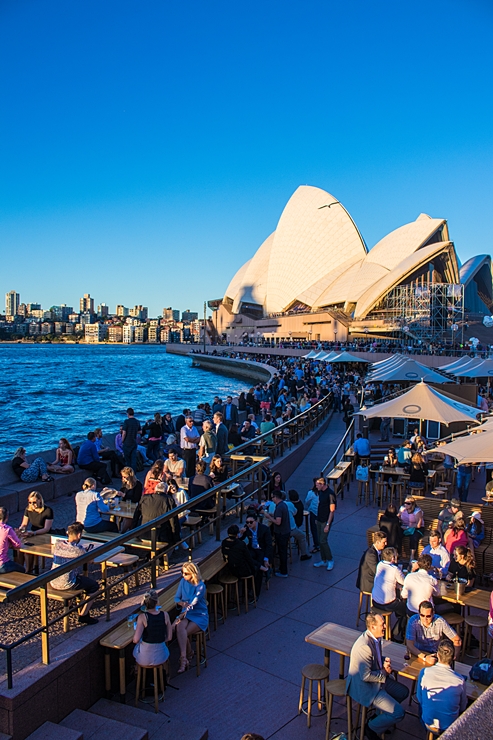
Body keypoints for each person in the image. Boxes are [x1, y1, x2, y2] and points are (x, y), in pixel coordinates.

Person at [346, 612, 409, 740]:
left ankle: (379, 718)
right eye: (382, 624)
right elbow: (365, 676)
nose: (385, 626)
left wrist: (384, 660)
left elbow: (376, 659)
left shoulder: (376, 638)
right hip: (367, 688)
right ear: (373, 627)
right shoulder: (365, 646)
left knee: (403, 692)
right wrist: (385, 673)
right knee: (399, 713)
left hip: (378, 680)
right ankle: (371, 728)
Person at [50, 521, 99, 624]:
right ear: (79, 535)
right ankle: (84, 614)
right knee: (94, 586)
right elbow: (90, 561)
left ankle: (73, 604)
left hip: (53, 580)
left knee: (75, 576)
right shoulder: (78, 549)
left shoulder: (58, 544)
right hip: (68, 583)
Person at [416, 637, 467, 732]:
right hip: (450, 727)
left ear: (438, 655)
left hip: (428, 723)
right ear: (453, 657)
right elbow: (463, 707)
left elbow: (419, 698)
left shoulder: (424, 672)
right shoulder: (460, 680)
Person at [173, 562, 208, 673]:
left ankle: (186, 657)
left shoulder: (200, 586)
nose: (183, 575)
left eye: (186, 573)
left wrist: (183, 612)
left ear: (193, 573)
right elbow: (176, 598)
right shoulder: (183, 581)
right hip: (186, 612)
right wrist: (182, 604)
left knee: (183, 632)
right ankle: (185, 657)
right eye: (182, 573)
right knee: (179, 629)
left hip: (199, 614)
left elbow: (194, 601)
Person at [133, 589, 172, 668]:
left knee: (136, 650)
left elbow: (136, 640)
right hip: (161, 656)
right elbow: (169, 637)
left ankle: (137, 672)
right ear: (157, 602)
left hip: (144, 659)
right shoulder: (165, 615)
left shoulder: (142, 617)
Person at [18, 491, 54, 572]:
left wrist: (34, 533)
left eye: (34, 502)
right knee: (20, 549)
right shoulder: (28, 509)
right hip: (33, 533)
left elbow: (46, 529)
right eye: (30, 502)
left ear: (40, 500)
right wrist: (21, 530)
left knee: (28, 550)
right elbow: (24, 524)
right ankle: (19, 571)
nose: (32, 505)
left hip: (44, 534)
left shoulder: (48, 511)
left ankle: (29, 570)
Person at [139, 481, 181, 546]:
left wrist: (135, 531)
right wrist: (176, 535)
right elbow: (173, 520)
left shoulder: (145, 498)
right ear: (166, 491)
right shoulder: (168, 500)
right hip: (159, 536)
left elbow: (136, 515)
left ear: (155, 489)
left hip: (143, 533)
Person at [241, 511, 273, 595]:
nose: (249, 524)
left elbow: (269, 545)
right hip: (252, 550)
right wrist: (241, 533)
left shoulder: (264, 529)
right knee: (248, 561)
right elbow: (241, 540)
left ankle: (256, 593)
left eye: (251, 522)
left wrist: (266, 558)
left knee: (258, 570)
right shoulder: (247, 529)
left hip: (262, 550)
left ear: (256, 521)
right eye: (247, 522)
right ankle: (263, 570)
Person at [263, 491, 290, 578]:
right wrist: (272, 515)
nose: (272, 499)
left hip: (281, 533)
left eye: (272, 497)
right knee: (283, 551)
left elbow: (278, 522)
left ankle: (283, 571)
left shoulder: (279, 507)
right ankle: (282, 568)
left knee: (282, 552)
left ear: (276, 497)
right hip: (286, 531)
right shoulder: (283, 505)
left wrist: (269, 517)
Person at [313, 476, 336, 571]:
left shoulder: (330, 494)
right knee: (320, 540)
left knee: (323, 540)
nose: (316, 487)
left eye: (317, 485)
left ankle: (330, 559)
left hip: (326, 521)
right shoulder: (321, 492)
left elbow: (332, 510)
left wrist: (327, 524)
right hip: (319, 519)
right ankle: (323, 559)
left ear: (322, 484)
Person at [398, 495, 424, 562]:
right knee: (397, 533)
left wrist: (407, 527)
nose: (406, 505)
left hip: (416, 528)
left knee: (414, 537)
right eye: (405, 503)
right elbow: (398, 517)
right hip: (405, 526)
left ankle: (412, 556)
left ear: (412, 504)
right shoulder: (402, 508)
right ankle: (398, 553)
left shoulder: (417, 511)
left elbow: (418, 525)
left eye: (408, 503)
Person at [286, 490, 311, 561]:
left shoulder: (290, 505)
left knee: (301, 535)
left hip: (291, 526)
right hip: (297, 524)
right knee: (302, 536)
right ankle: (304, 554)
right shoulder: (300, 504)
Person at [0, 507, 24, 573]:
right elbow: (17, 545)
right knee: (22, 569)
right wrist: (17, 536)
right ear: (7, 517)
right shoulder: (7, 529)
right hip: (2, 564)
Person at [304, 479, 320, 553]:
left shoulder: (311, 493)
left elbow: (307, 501)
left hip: (314, 513)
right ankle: (320, 543)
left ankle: (317, 545)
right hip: (322, 513)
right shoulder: (324, 493)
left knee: (314, 529)